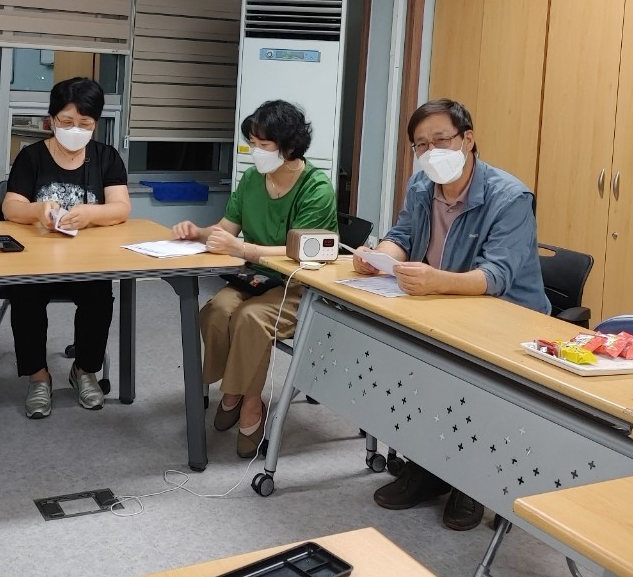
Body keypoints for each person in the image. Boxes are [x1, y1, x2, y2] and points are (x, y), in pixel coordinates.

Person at [356, 98, 547, 530]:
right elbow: (402, 234)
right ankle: (427, 467)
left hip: (507, 318)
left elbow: (496, 276)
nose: (431, 152)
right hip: (444, 307)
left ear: (468, 139)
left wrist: (434, 280)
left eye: (441, 139)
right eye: (421, 145)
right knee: (406, 359)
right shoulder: (422, 186)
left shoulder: (510, 197)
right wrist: (379, 257)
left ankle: (470, 482)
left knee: (461, 372)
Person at [173, 100, 337, 458]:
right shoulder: (251, 180)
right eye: (253, 143)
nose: (256, 151)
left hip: (300, 284)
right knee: (216, 311)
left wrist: (244, 249)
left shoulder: (316, 188)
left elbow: (304, 252)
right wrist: (197, 232)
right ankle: (233, 389)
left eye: (264, 144)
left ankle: (248, 400)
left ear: (289, 146)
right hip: (256, 278)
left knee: (250, 320)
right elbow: (226, 228)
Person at [1, 77, 131, 419]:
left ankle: (84, 370)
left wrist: (90, 214)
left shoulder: (105, 158)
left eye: (84, 124)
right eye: (67, 121)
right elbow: (11, 207)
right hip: (36, 263)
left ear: (95, 124)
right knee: (25, 294)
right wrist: (37, 210)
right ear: (52, 119)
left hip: (87, 263)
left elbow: (121, 208)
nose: (75, 130)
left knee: (100, 295)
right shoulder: (32, 157)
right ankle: (38, 377)